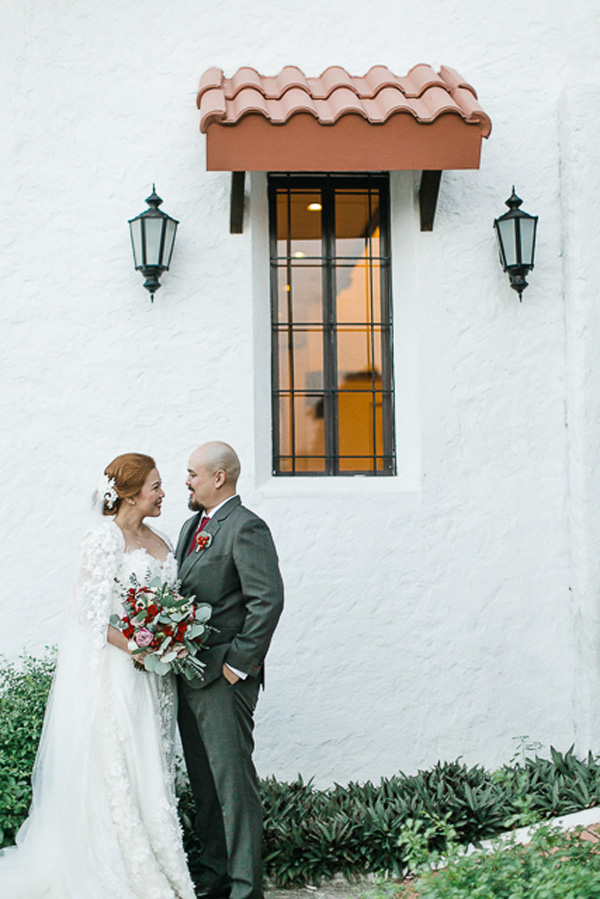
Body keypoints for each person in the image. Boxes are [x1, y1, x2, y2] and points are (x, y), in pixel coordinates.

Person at [0, 453, 196, 899]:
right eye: (156, 486)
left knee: (152, 762)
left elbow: (171, 603)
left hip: (156, 677)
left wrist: (172, 638)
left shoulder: (161, 538)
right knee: (122, 763)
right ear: (129, 493)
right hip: (120, 673)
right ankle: (122, 867)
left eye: (163, 485)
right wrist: (140, 647)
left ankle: (163, 857)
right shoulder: (103, 539)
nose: (163, 493)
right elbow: (85, 612)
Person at [176, 442, 284, 899]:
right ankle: (214, 877)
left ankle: (245, 889)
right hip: (188, 677)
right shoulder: (190, 527)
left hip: (224, 680)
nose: (187, 481)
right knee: (205, 785)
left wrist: (238, 667)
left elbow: (267, 601)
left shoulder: (246, 527)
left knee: (233, 786)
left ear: (218, 477)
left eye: (192, 473)